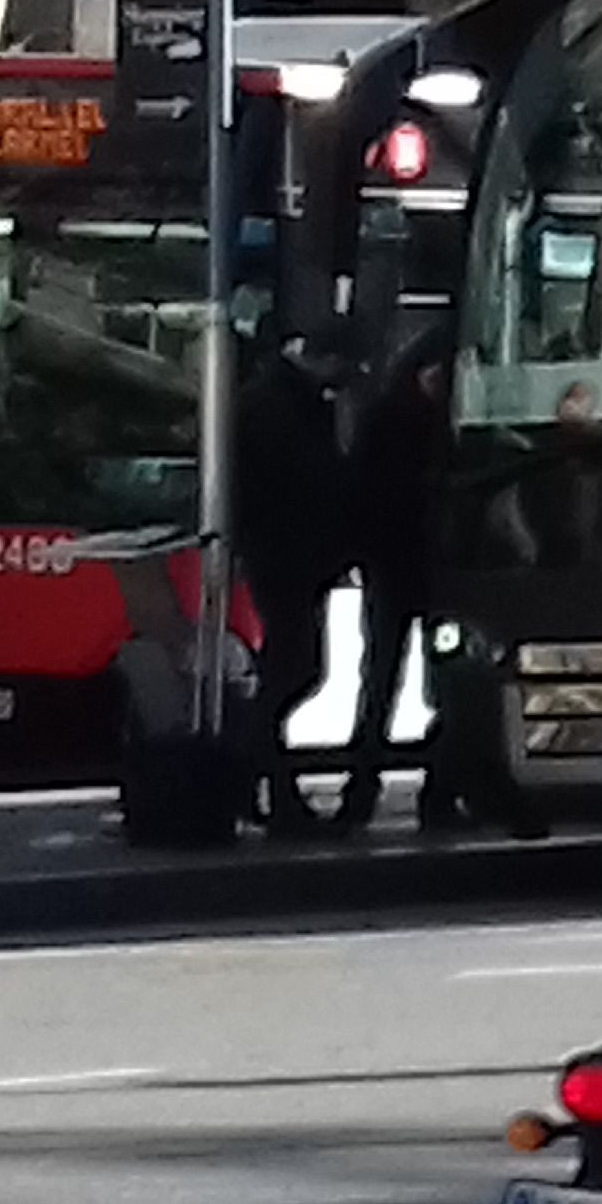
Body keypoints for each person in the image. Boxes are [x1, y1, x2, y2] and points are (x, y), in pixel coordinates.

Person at [234, 337, 355, 836]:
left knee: (292, 668)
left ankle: (262, 779)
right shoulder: (280, 407)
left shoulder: (278, 399)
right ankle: (255, 770)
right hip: (289, 558)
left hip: (286, 557)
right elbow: (310, 481)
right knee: (295, 668)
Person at [337, 322, 453, 833]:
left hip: (391, 567)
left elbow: (362, 494)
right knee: (440, 682)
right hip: (430, 568)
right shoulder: (439, 425)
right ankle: (438, 793)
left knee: (380, 680)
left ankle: (362, 790)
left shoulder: (382, 416)